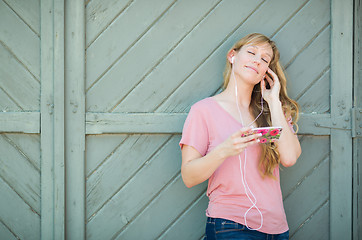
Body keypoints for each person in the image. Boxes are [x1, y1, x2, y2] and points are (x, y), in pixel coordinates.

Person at [179, 33, 301, 239]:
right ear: (232, 56)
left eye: (264, 59)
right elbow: (189, 177)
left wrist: (273, 102)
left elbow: (289, 158)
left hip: (277, 229)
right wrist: (225, 150)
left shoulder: (274, 112)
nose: (257, 60)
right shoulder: (203, 111)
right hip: (231, 226)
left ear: (266, 71)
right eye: (252, 52)